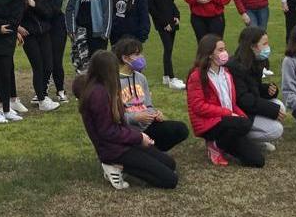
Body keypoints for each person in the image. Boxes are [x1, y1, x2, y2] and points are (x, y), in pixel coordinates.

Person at [75, 50, 179, 190]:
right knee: (170, 180)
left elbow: (119, 122)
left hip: (124, 142)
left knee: (170, 164)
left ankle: (124, 165)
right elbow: (108, 132)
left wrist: (139, 137)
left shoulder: (106, 88)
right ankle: (116, 166)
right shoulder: (98, 95)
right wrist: (139, 137)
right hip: (114, 149)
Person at [185, 35, 265, 167]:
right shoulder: (197, 75)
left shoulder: (226, 72)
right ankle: (214, 143)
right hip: (210, 122)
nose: (225, 53)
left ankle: (222, 143)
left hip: (227, 121)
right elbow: (198, 106)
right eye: (220, 50)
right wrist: (227, 113)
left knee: (257, 161)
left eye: (224, 49)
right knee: (244, 124)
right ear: (209, 54)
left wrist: (240, 115)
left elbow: (231, 102)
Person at [112, 38, 189, 153]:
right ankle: (147, 152)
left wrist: (155, 113)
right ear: (125, 58)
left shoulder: (141, 78)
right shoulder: (114, 82)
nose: (141, 57)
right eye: (137, 54)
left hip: (147, 126)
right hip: (130, 130)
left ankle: (153, 151)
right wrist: (135, 117)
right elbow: (115, 116)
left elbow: (148, 105)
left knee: (181, 129)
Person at [226, 27, 285, 151]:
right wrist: (271, 110)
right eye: (264, 44)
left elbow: (253, 87)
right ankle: (242, 139)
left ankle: (254, 138)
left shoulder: (255, 60)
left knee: (280, 105)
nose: (267, 47)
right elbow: (243, 99)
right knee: (276, 129)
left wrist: (267, 90)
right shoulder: (236, 66)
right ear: (252, 46)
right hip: (239, 112)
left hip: (249, 106)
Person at [19, 0, 61, 111]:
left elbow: (48, 12)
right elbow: (14, 15)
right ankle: (42, 98)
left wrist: (34, 4)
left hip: (44, 33)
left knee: (48, 65)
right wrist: (18, 28)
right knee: (38, 67)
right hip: (29, 35)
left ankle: (42, 94)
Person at [141, 0, 185, 90]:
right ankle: (171, 78)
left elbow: (171, 3)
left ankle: (166, 76)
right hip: (163, 24)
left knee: (170, 48)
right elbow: (153, 10)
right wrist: (164, 23)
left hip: (172, 21)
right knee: (168, 48)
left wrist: (177, 16)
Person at [65, 0, 113, 73]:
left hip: (97, 33)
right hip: (80, 31)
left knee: (98, 63)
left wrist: (105, 33)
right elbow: (69, 9)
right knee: (81, 62)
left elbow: (108, 13)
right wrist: (71, 29)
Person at [36, 0, 69, 102]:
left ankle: (60, 90)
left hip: (57, 28)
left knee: (56, 61)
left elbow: (52, 11)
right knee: (44, 61)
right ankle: (42, 90)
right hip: (44, 29)